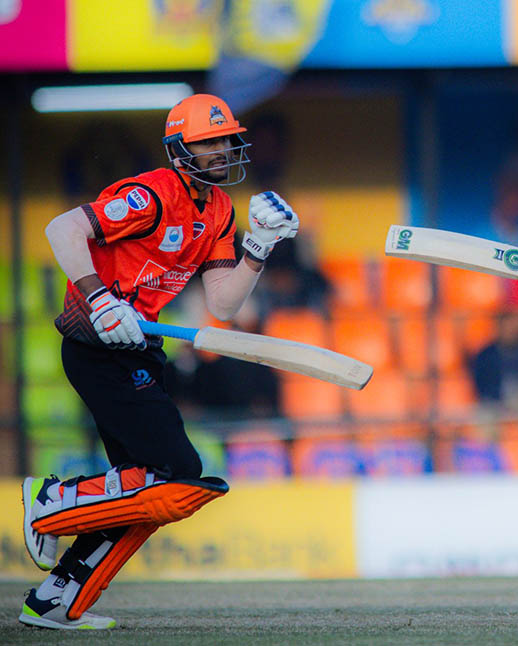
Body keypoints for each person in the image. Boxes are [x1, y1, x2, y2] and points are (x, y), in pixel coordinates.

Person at [19, 94, 299, 630]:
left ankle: (56, 600)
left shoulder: (220, 210)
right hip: (96, 343)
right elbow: (61, 229)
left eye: (225, 139)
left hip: (140, 347)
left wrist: (259, 249)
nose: (222, 150)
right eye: (209, 142)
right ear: (179, 151)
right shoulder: (149, 195)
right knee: (175, 474)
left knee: (142, 489)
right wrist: (100, 299)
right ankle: (52, 500)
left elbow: (223, 304)